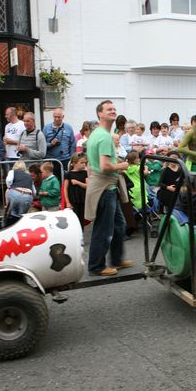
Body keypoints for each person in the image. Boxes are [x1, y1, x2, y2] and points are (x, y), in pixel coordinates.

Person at [84, 100, 132, 277]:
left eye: (114, 109)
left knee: (119, 225)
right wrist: (122, 166)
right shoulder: (104, 136)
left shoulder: (97, 133)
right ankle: (96, 266)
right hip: (105, 189)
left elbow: (95, 162)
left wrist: (115, 163)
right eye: (108, 109)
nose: (113, 111)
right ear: (100, 114)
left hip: (105, 187)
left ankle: (117, 259)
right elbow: (104, 166)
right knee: (103, 229)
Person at [44, 107, 76, 179]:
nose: (57, 119)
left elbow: (73, 143)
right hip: (51, 161)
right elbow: (42, 145)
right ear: (53, 116)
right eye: (55, 117)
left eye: (59, 117)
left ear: (63, 117)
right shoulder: (46, 127)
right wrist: (51, 144)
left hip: (65, 160)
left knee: (65, 181)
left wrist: (71, 158)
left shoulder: (68, 127)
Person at [63, 152, 88, 224]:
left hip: (82, 200)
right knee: (74, 220)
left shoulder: (85, 173)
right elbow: (65, 189)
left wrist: (78, 182)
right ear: (74, 163)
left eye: (85, 163)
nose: (84, 164)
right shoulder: (68, 174)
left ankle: (81, 234)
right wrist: (67, 202)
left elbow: (87, 186)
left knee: (81, 220)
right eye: (81, 162)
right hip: (73, 200)